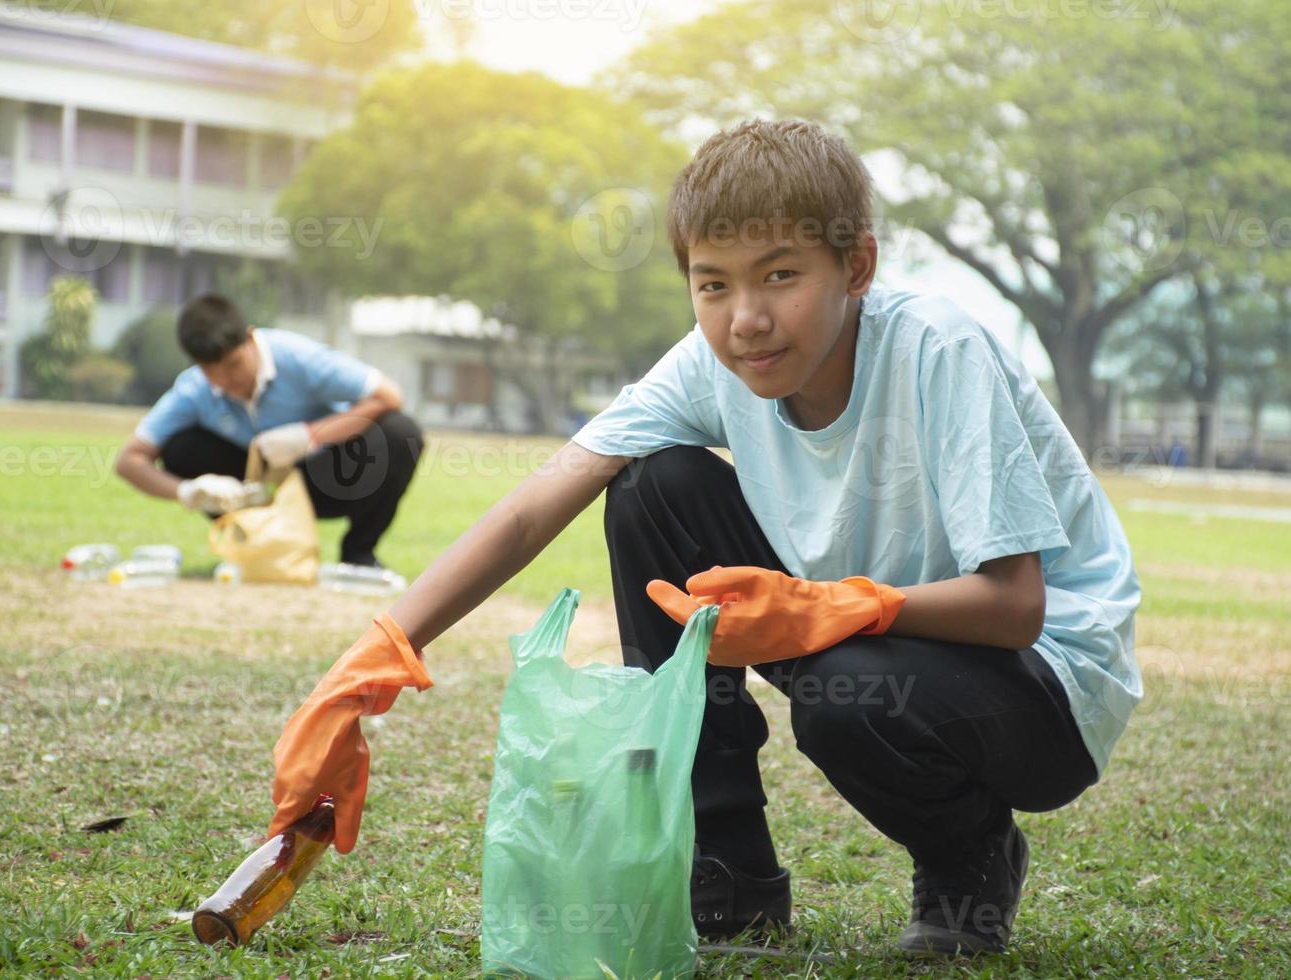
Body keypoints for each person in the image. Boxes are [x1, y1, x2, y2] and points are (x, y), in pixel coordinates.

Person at [270, 119, 1142, 959]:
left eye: (780, 275)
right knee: (653, 487)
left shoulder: (935, 350)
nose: (745, 319)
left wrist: (840, 605)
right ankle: (729, 870)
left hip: (1044, 688)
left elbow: (1016, 606)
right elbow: (536, 505)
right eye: (714, 283)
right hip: (854, 630)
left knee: (845, 688)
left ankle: (968, 862)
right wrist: (371, 662)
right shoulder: (710, 363)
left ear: (858, 266)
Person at [114, 293, 424, 568]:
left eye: (234, 365)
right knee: (180, 447)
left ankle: (358, 555)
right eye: (212, 373)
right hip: (252, 493)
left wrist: (311, 435)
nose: (227, 381)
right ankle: (253, 549)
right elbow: (129, 460)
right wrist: (189, 492)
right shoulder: (193, 389)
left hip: (329, 478)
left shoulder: (298, 357)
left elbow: (389, 395)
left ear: (249, 339)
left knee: (400, 432)